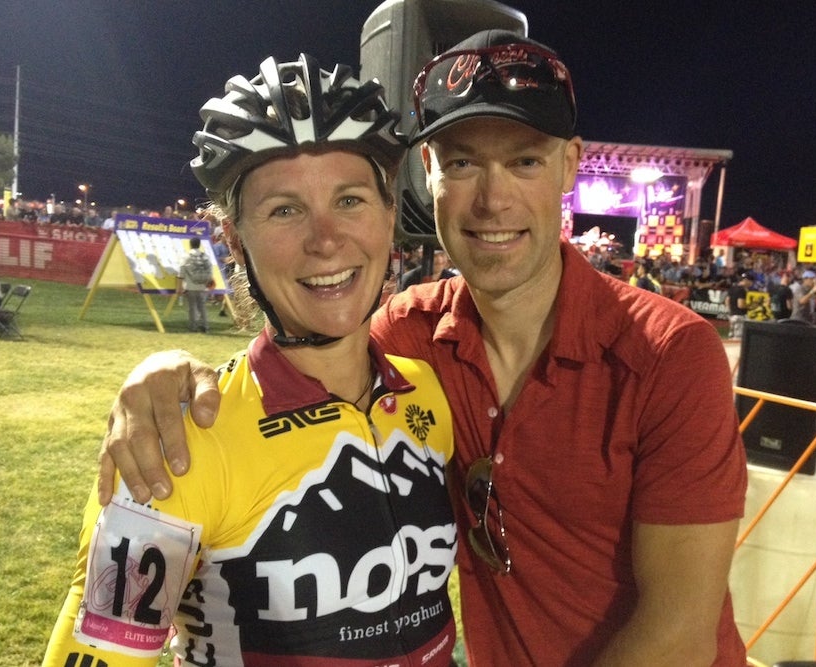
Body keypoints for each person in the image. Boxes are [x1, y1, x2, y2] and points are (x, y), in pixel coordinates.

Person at [100, 30, 748, 666]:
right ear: (427, 174)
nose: (494, 201)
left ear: (570, 164)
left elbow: (680, 633)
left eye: (523, 160)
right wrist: (167, 375)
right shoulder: (409, 341)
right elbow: (300, 350)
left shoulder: (669, 355)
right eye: (462, 162)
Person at [43, 53, 457, 666]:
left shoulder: (428, 391)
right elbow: (99, 648)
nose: (325, 240)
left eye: (349, 200)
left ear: (389, 215)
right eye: (284, 210)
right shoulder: (179, 445)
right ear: (234, 239)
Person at [176, 236, 212, 333]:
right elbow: (210, 270)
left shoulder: (187, 256)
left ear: (190, 245)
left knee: (192, 307)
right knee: (202, 307)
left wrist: (179, 287)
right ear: (199, 244)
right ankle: (205, 326)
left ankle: (193, 326)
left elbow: (181, 272)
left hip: (190, 286)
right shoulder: (205, 256)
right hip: (202, 286)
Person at [725, 271, 752, 338]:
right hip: (740, 316)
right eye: (750, 281)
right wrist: (751, 306)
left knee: (731, 337)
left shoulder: (732, 288)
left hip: (732, 315)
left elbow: (727, 301)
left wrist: (730, 312)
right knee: (738, 339)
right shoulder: (742, 290)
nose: (751, 283)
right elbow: (740, 305)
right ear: (746, 280)